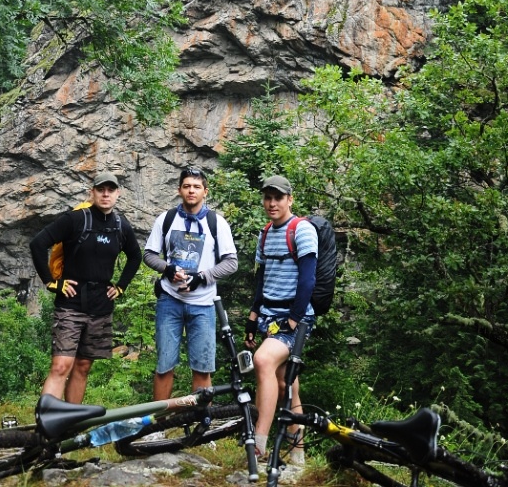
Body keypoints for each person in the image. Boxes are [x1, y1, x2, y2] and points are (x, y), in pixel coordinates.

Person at [30, 172, 141, 403]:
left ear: (118, 194)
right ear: (92, 192)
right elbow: (38, 243)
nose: (106, 194)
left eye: (111, 190)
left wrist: (121, 286)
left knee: (82, 366)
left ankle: (71, 420)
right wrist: (51, 282)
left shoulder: (121, 226)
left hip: (101, 307)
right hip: (70, 303)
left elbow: (135, 257)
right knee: (61, 365)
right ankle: (47, 419)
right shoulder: (75, 219)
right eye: (101, 189)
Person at [143, 164, 238, 399]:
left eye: (196, 186)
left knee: (203, 368)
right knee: (164, 365)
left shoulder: (217, 223)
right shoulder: (166, 219)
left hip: (204, 304)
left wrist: (202, 277)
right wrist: (167, 269)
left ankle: (201, 419)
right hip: (170, 300)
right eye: (186, 186)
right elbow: (149, 254)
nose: (191, 191)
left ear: (205, 191)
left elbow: (231, 262)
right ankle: (160, 420)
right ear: (179, 190)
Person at [244, 175, 318, 464]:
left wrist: (293, 320)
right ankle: (298, 454)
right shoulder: (265, 234)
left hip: (295, 318)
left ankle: (258, 443)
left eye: (278, 198)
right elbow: (262, 280)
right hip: (269, 317)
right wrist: (253, 318)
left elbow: (308, 280)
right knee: (287, 384)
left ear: (290, 199)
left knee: (263, 360)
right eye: (268, 198)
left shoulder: (302, 230)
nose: (272, 203)